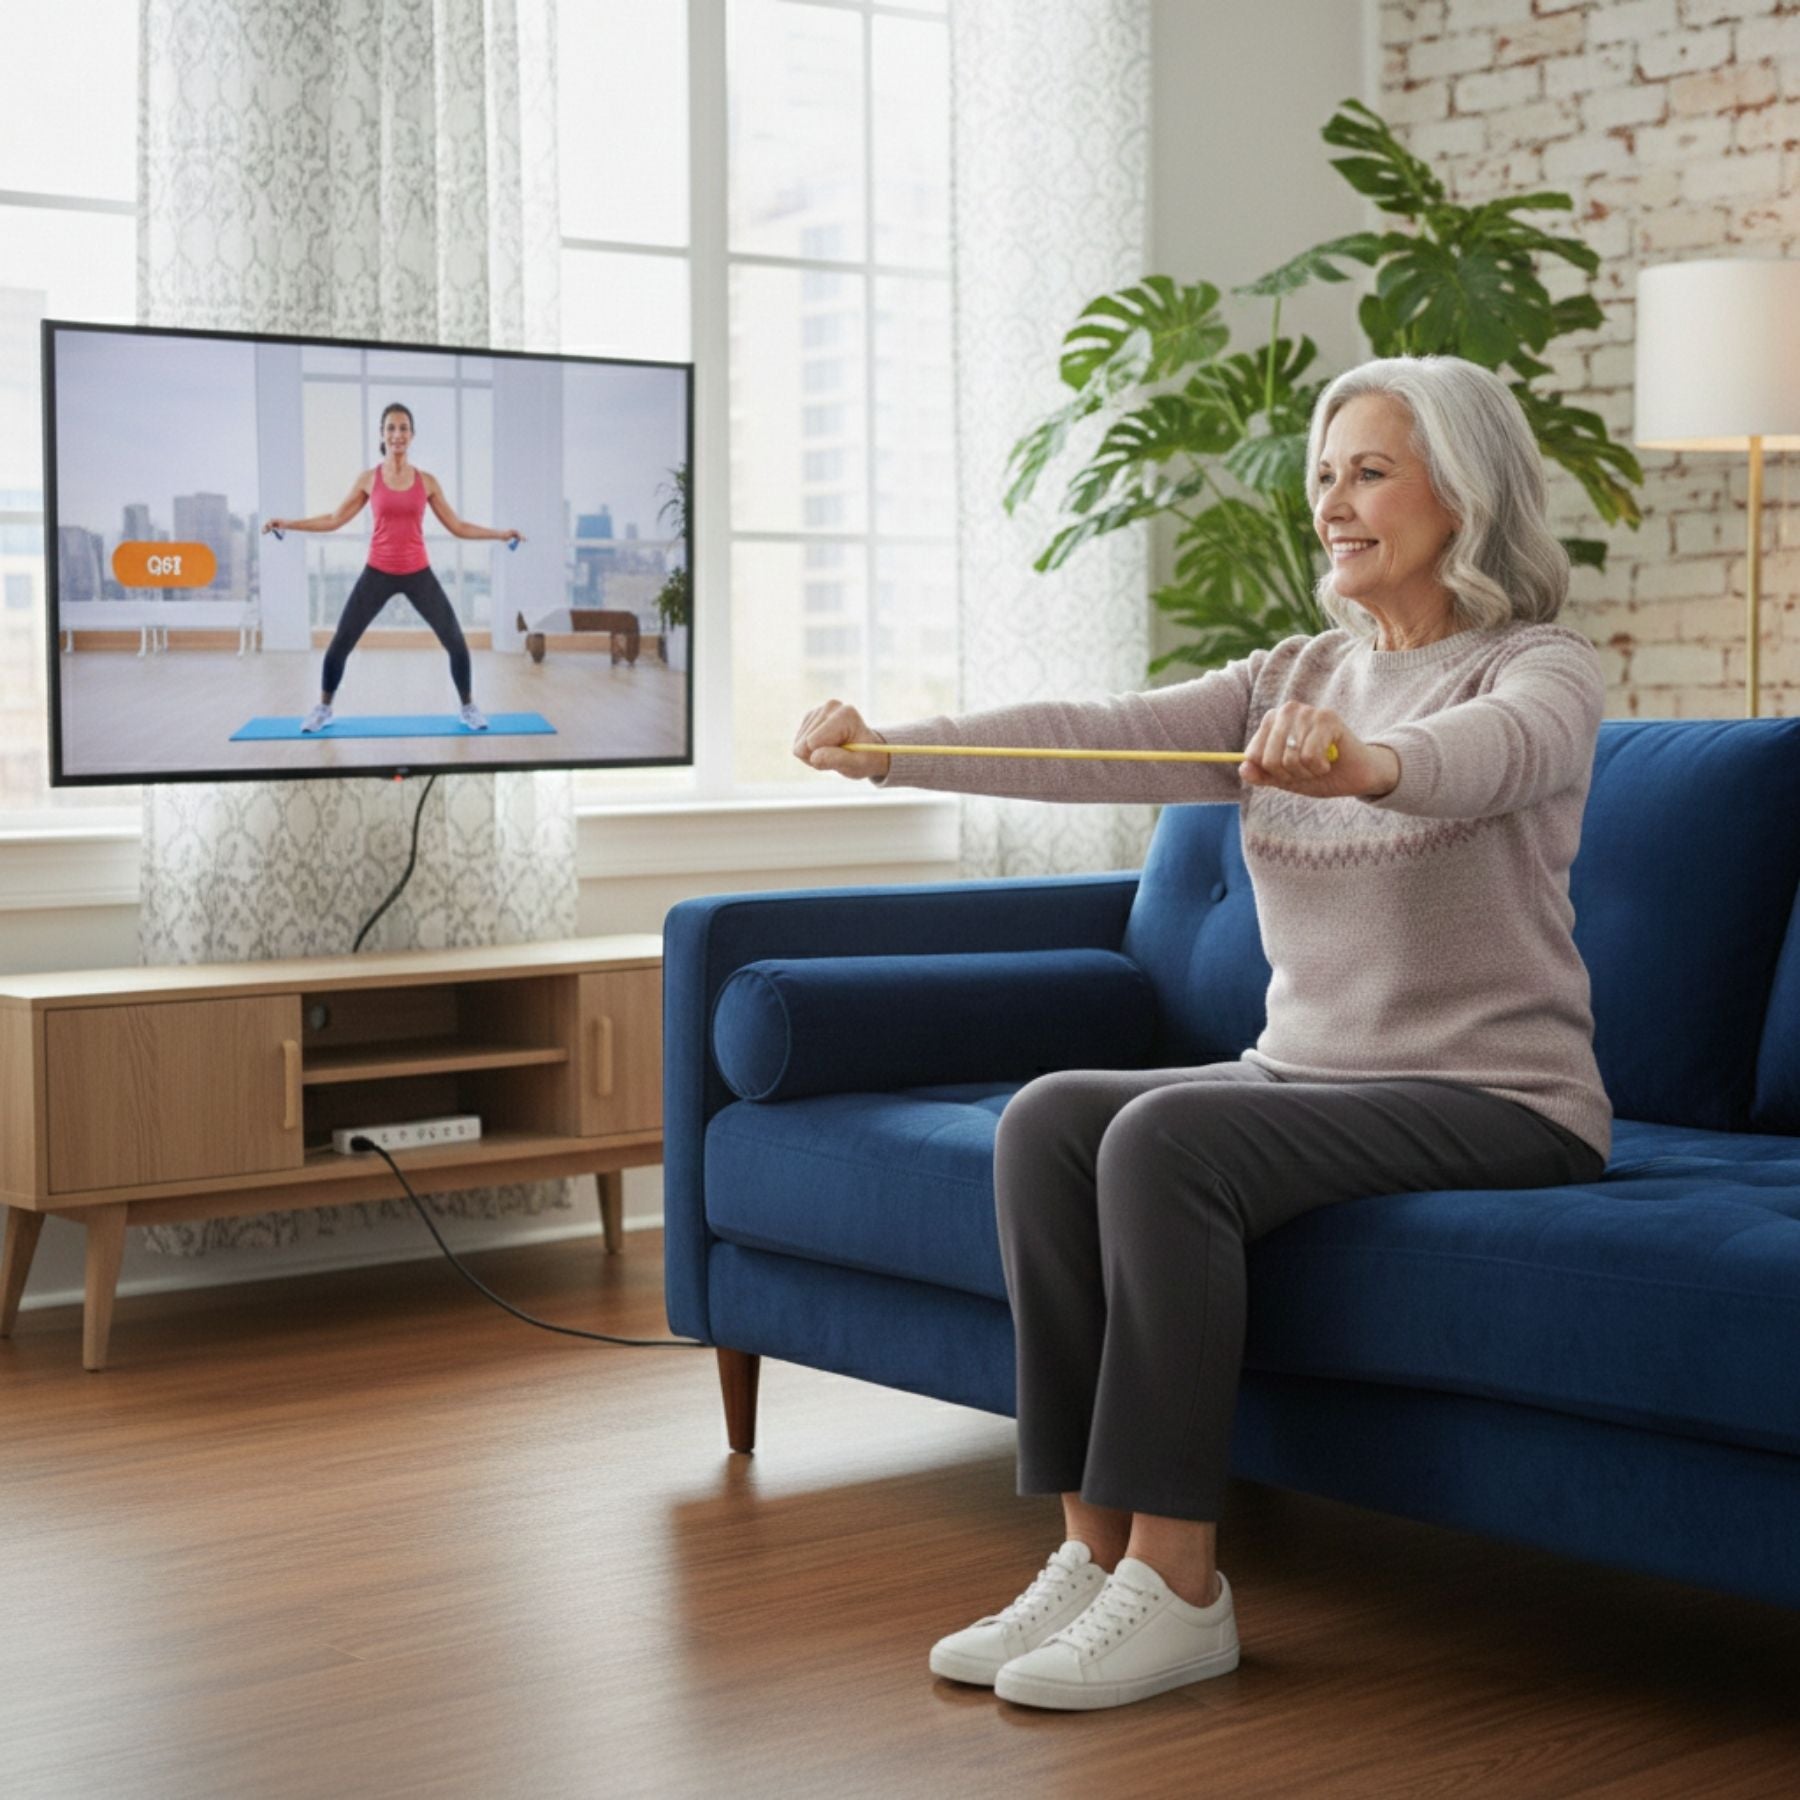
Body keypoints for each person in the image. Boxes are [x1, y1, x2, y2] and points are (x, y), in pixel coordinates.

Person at [791, 354, 1611, 1713]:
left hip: (1498, 1096)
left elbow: (1492, 755)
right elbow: (1093, 740)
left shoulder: (1543, 667)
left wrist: (1366, 764)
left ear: (1462, 492)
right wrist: (895, 750)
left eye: (1370, 471)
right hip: (1308, 1076)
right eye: (1323, 477)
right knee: (1055, 1115)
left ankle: (1179, 1591)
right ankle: (1090, 1551)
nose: (1334, 503)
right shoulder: (1292, 673)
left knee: (1170, 1136)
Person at [264, 401, 523, 733]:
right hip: (378, 572)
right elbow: (333, 519)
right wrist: (288, 523)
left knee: (455, 641)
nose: (397, 434)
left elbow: (457, 526)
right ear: (382, 435)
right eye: (391, 428)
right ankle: (324, 708)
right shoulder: (369, 480)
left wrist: (501, 534)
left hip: (418, 573)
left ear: (411, 435)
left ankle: (468, 708)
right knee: (341, 641)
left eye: (403, 428)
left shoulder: (426, 482)